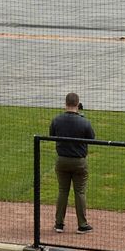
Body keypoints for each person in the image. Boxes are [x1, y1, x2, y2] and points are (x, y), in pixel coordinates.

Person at [47, 93, 95, 233]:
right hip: (79, 162)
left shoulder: (57, 120)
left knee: (63, 191)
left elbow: (52, 136)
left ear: (65, 103)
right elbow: (91, 138)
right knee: (79, 192)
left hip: (61, 160)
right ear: (78, 104)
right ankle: (82, 224)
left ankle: (59, 224)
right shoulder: (84, 122)